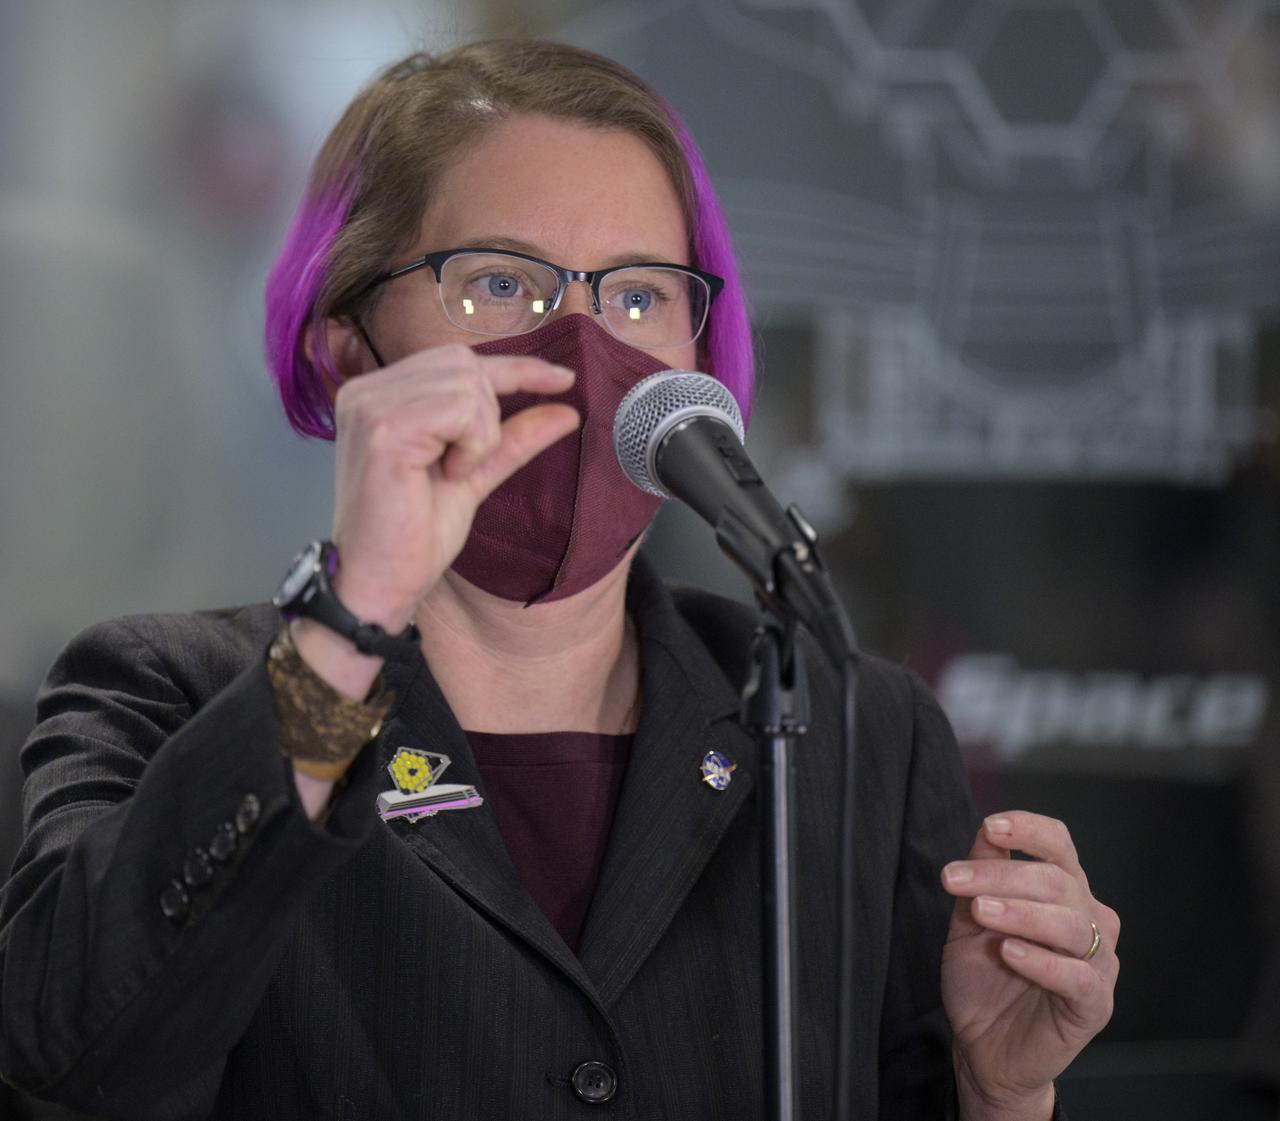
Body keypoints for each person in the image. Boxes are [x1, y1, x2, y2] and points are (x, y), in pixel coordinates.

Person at [0, 40, 1118, 1120]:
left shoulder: (852, 730)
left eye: (638, 297)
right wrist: (349, 618)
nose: (583, 344)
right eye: (499, 282)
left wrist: (999, 1093)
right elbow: (78, 1059)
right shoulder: (159, 693)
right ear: (347, 352)